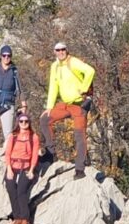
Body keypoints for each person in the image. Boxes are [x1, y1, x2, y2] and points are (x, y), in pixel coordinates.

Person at [39, 41, 95, 179]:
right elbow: (53, 87)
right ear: (54, 52)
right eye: (58, 50)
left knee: (79, 135)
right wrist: (49, 107)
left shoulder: (73, 62)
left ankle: (80, 169)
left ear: (67, 50)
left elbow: (90, 71)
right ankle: (51, 154)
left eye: (63, 49)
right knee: (44, 119)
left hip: (79, 104)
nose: (61, 52)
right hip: (65, 104)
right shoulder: (55, 66)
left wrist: (83, 88)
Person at [3, 112, 40, 224]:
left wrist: (31, 170)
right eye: (21, 121)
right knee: (11, 188)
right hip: (13, 165)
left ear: (29, 123)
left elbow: (35, 155)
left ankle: (25, 219)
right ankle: (17, 217)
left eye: (26, 121)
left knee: (21, 191)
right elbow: (7, 153)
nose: (24, 123)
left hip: (26, 167)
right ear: (18, 123)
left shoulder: (34, 137)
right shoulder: (13, 136)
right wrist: (9, 169)